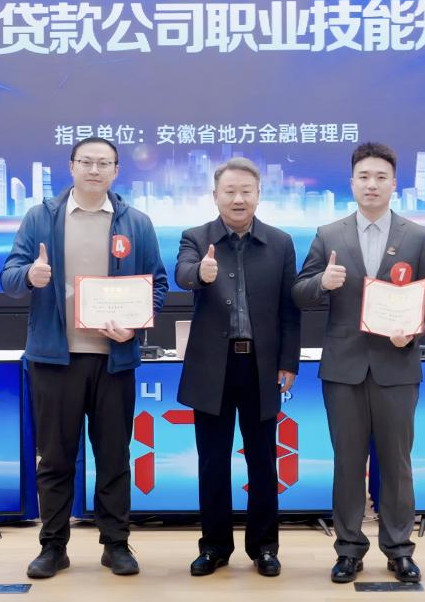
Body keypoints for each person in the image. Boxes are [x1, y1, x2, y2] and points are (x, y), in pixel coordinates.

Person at [0, 137, 168, 578]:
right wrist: (30, 275)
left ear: (116, 171)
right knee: (55, 458)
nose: (95, 170)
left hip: (114, 360)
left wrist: (136, 325)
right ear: (72, 166)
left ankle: (116, 544)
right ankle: (53, 546)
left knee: (113, 457)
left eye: (104, 163)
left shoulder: (136, 223)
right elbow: (9, 276)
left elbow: (158, 285)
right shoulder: (41, 217)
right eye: (86, 162)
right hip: (55, 359)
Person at [292, 142, 425, 584]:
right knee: (347, 462)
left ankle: (399, 550)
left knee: (397, 463)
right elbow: (300, 292)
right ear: (352, 183)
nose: (372, 184)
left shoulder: (417, 236)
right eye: (364, 177)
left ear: (394, 184)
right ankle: (348, 549)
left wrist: (414, 327)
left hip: (397, 366)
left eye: (381, 177)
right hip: (344, 369)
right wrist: (322, 282)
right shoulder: (329, 234)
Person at [174, 158, 301, 578]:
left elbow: (289, 310)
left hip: (261, 368)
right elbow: (183, 273)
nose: (238, 198)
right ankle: (214, 546)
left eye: (246, 190)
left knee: (263, 461)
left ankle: (264, 547)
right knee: (213, 462)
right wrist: (201, 272)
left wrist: (288, 361)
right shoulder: (196, 238)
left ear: (259, 195)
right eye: (230, 191)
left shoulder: (280, 243)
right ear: (215, 196)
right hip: (212, 367)